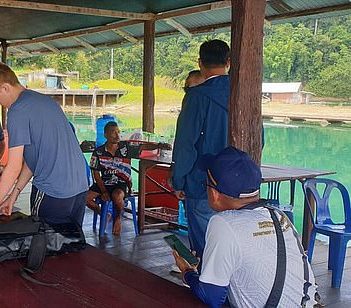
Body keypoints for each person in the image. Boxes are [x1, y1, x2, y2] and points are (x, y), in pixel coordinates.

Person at [172, 146, 321, 308]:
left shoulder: (223, 223)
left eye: (205, 185)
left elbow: (212, 297)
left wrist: (187, 273)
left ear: (214, 193)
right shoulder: (278, 215)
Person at [0, 62, 88, 225]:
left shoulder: (17, 111)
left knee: (43, 244)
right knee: (72, 244)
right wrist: (13, 195)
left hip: (53, 191)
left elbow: (14, 166)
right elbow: (34, 159)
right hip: (79, 188)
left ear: (5, 88)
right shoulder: (45, 101)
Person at [171, 39, 230, 260]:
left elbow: (186, 144)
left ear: (200, 62)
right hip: (239, 187)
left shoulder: (196, 96)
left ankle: (207, 288)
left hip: (202, 184)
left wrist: (178, 180)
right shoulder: (245, 92)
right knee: (232, 242)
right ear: (228, 62)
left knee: (205, 244)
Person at [86, 121, 161, 235]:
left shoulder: (125, 147)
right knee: (84, 199)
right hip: (105, 183)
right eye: (113, 132)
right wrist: (104, 191)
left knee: (117, 196)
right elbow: (96, 173)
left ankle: (117, 218)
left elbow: (143, 146)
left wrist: (159, 145)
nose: (117, 135)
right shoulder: (98, 152)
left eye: (118, 132)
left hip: (122, 183)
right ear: (105, 135)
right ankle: (104, 214)